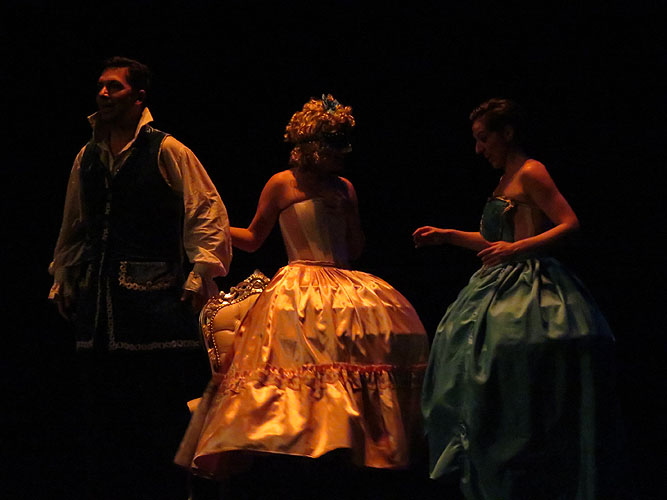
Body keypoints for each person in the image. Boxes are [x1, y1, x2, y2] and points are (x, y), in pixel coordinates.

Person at [176, 95, 430, 497]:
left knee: (385, 341)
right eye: (335, 146)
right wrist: (210, 231)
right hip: (300, 284)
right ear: (314, 147)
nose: (343, 154)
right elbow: (254, 237)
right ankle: (300, 454)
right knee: (299, 364)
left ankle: (357, 448)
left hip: (344, 282)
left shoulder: (345, 187)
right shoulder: (283, 183)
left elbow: (355, 247)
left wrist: (346, 214)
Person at [413, 98, 621, 500]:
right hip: (497, 280)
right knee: (457, 344)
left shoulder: (531, 171)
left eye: (483, 138)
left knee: (509, 348)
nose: (479, 149)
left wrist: (518, 249)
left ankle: (524, 457)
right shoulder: (503, 180)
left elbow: (569, 223)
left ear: (507, 133)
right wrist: (447, 236)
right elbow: (493, 241)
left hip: (532, 283)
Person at [49, 56, 232, 500]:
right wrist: (65, 276)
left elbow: (206, 212)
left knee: (157, 415)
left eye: (115, 86)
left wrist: (199, 274)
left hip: (155, 307)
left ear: (139, 97)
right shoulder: (87, 156)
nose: (104, 94)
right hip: (99, 310)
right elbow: (75, 222)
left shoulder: (166, 150)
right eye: (101, 86)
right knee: (104, 418)